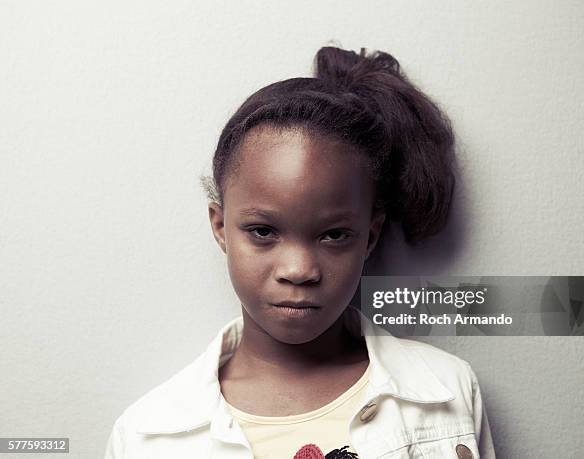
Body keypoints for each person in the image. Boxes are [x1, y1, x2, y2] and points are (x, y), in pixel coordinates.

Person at [104, 46, 495, 458]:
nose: (299, 269)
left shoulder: (446, 392)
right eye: (263, 231)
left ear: (371, 236)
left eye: (334, 235)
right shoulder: (147, 436)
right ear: (220, 226)